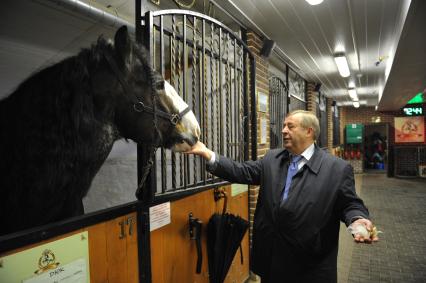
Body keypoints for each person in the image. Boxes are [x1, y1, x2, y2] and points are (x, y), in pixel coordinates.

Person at [185, 110, 378, 283]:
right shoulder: (272, 159)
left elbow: (349, 203)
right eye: (284, 126)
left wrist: (358, 219)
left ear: (309, 132)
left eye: (290, 126)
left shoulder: (336, 169)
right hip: (272, 260)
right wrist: (207, 154)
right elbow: (240, 171)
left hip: (309, 266)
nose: (284, 130)